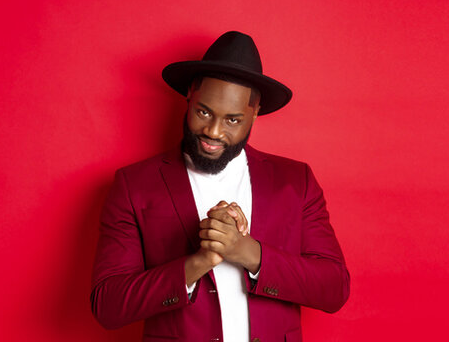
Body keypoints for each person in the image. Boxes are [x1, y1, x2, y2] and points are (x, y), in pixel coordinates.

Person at [91, 31, 349, 342]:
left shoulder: (295, 182)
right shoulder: (134, 185)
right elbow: (108, 306)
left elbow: (334, 289)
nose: (213, 131)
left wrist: (249, 253)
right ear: (189, 95)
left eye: (233, 120)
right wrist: (198, 262)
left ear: (255, 113)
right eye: (204, 112)